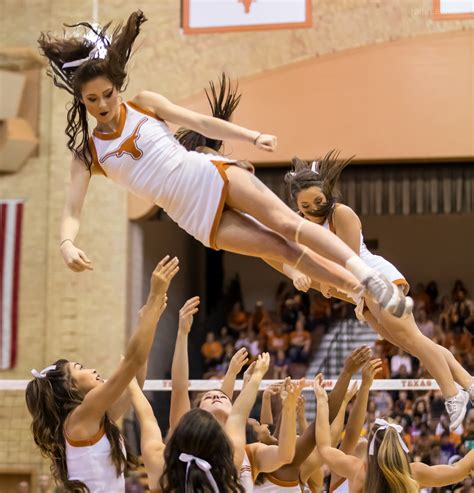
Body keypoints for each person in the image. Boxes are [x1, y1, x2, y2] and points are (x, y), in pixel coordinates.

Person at [38, 15, 411, 319]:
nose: (103, 104)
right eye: (92, 99)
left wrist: (251, 135)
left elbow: (202, 124)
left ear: (117, 88)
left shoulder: (144, 104)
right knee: (279, 250)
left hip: (207, 174)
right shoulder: (88, 154)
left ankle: (367, 276)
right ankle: (359, 291)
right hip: (191, 215)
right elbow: (72, 209)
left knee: (287, 225)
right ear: (81, 101)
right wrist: (66, 243)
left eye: (108, 93)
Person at [281, 154, 472, 429]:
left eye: (318, 202)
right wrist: (297, 273)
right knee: (410, 343)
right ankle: (467, 382)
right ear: (296, 205)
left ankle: (453, 394)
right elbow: (285, 255)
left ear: (328, 194)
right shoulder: (298, 223)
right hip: (357, 293)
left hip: (374, 278)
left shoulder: (341, 213)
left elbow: (347, 260)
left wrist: (319, 277)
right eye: (305, 206)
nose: (313, 209)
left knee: (413, 339)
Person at [25, 256, 178, 491]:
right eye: (80, 367)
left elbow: (135, 379)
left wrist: (151, 318)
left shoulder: (95, 418)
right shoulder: (80, 416)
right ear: (71, 387)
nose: (91, 369)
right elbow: (132, 361)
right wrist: (154, 297)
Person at [314, 373, 474, 493]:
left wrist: (321, 400)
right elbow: (458, 470)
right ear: (399, 444)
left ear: (371, 446)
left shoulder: (359, 472)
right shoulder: (413, 473)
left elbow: (323, 448)